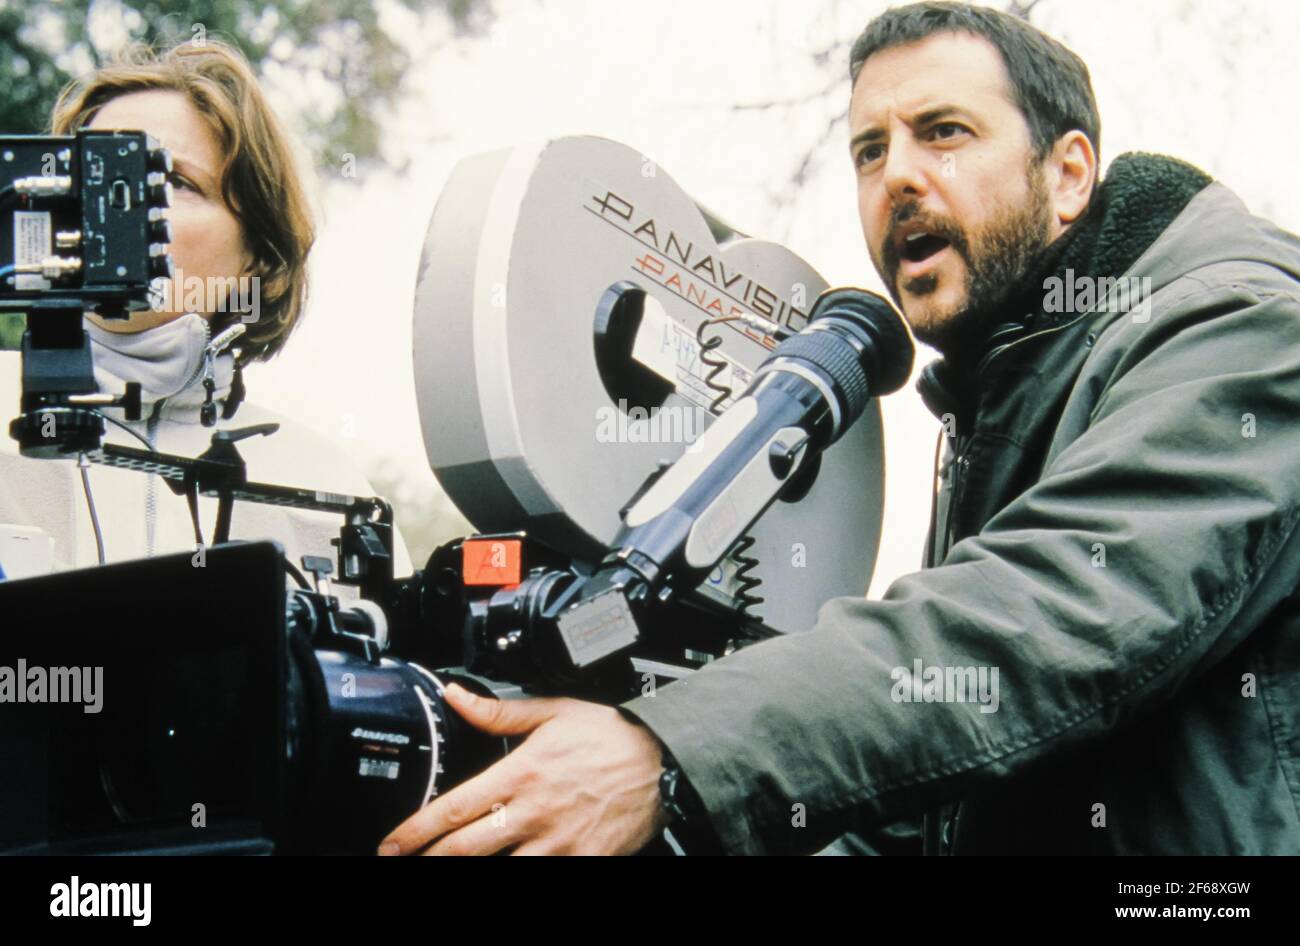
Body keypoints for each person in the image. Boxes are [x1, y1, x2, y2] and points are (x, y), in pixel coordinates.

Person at [381, 1, 1300, 856]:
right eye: (869, 150)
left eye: (943, 132)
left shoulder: (1244, 326)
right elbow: (934, 797)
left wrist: (671, 755)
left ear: (1066, 176)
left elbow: (1047, 622)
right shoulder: (1005, 392)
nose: (897, 174)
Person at [0, 39, 410, 581]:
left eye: (173, 181)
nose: (116, 210)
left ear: (258, 258)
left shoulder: (326, 484)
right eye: (93, 173)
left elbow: (393, 665)